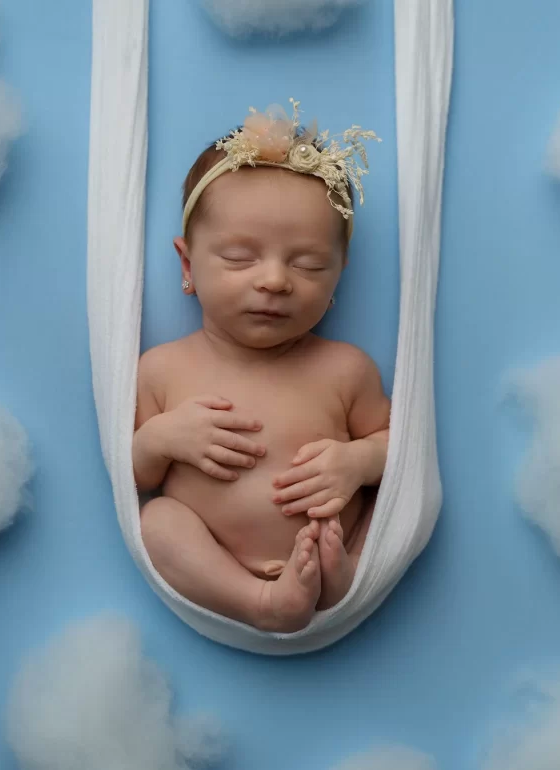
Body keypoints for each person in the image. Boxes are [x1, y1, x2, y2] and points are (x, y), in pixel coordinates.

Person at [133, 100, 389, 632]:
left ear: (337, 276)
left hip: (328, 550)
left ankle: (340, 577)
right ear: (187, 264)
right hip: (213, 559)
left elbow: (401, 450)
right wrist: (161, 439)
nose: (274, 280)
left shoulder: (344, 369)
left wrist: (358, 462)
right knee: (157, 521)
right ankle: (258, 599)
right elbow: (133, 476)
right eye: (240, 258)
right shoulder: (161, 370)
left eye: (308, 264)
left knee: (369, 521)